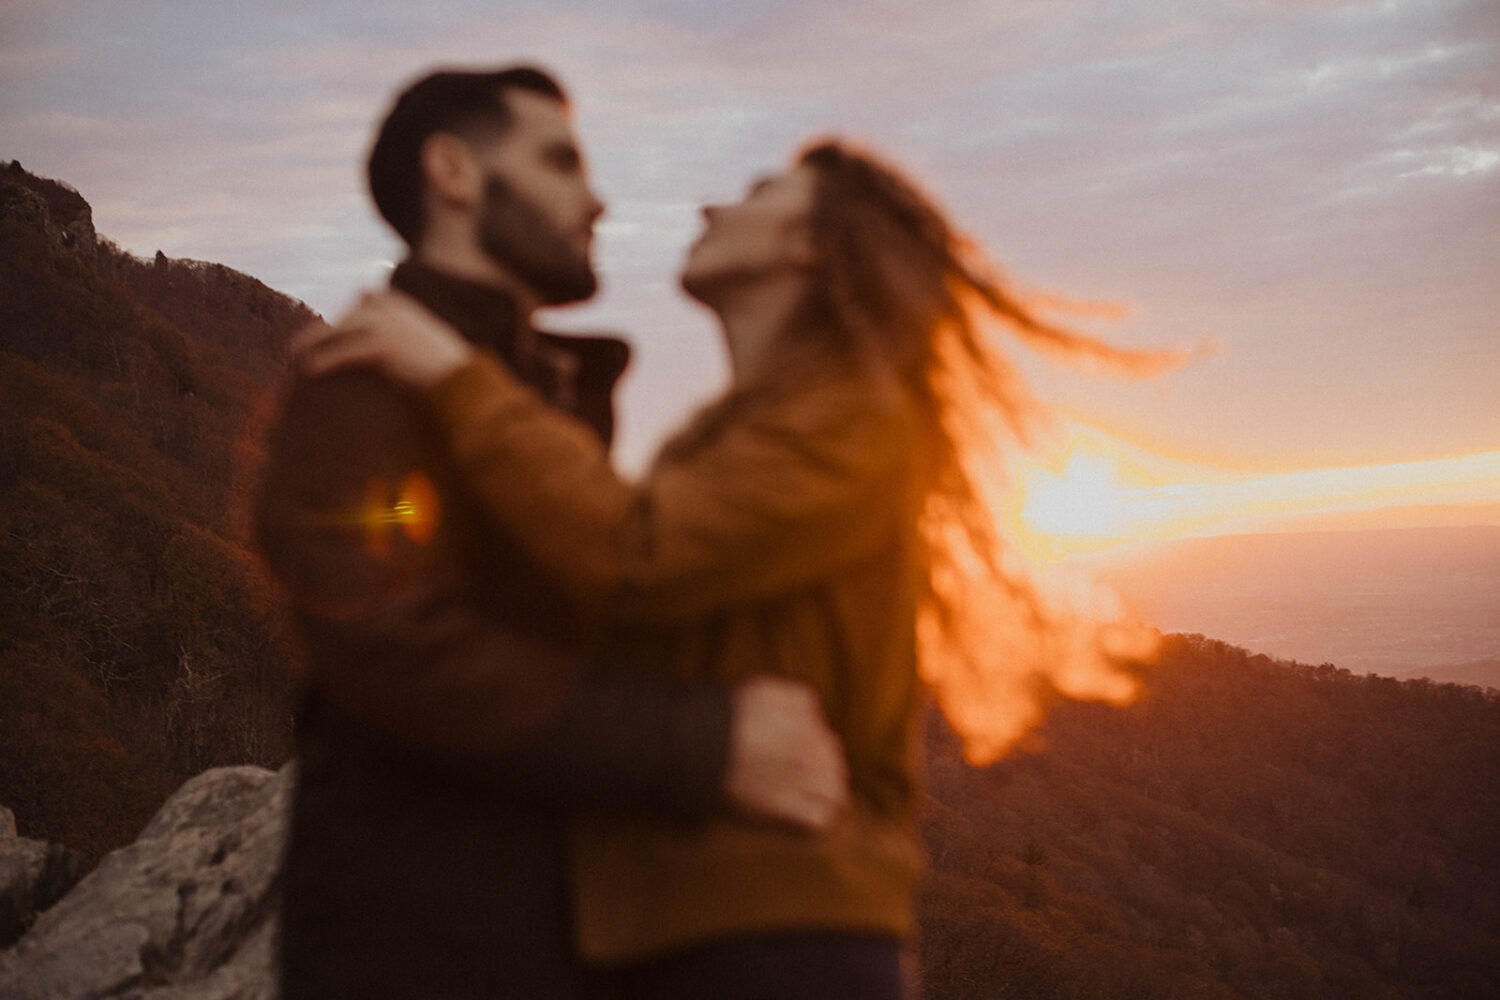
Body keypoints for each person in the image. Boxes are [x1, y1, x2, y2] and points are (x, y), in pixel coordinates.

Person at [298, 137, 1172, 998]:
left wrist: (454, 373)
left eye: (760, 192)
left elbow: (638, 555)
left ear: (809, 246)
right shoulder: (745, 433)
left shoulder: (852, 420)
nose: (715, 205)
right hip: (705, 929)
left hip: (778, 938)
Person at [254, 66, 851, 1000]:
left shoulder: (541, 389)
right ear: (453, 173)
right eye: (559, 161)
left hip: (548, 940)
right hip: (416, 953)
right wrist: (704, 744)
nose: (596, 197)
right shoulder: (364, 380)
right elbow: (389, 641)